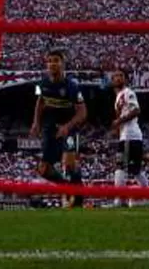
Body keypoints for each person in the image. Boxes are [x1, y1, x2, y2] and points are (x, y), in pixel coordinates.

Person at [30, 50, 87, 207]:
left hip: (69, 128)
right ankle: (68, 188)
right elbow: (40, 102)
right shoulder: (43, 83)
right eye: (49, 61)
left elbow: (83, 112)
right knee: (43, 169)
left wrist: (67, 126)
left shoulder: (72, 86)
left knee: (70, 164)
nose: (52, 63)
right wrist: (36, 122)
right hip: (50, 127)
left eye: (56, 60)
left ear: (63, 64)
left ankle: (78, 202)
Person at [109, 69, 148, 207]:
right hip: (130, 136)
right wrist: (117, 129)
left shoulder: (128, 93)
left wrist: (119, 122)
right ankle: (148, 196)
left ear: (125, 79)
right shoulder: (118, 96)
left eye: (121, 76)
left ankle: (119, 200)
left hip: (130, 135)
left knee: (120, 166)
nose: (118, 78)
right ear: (112, 80)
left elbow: (136, 110)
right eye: (115, 76)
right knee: (135, 170)